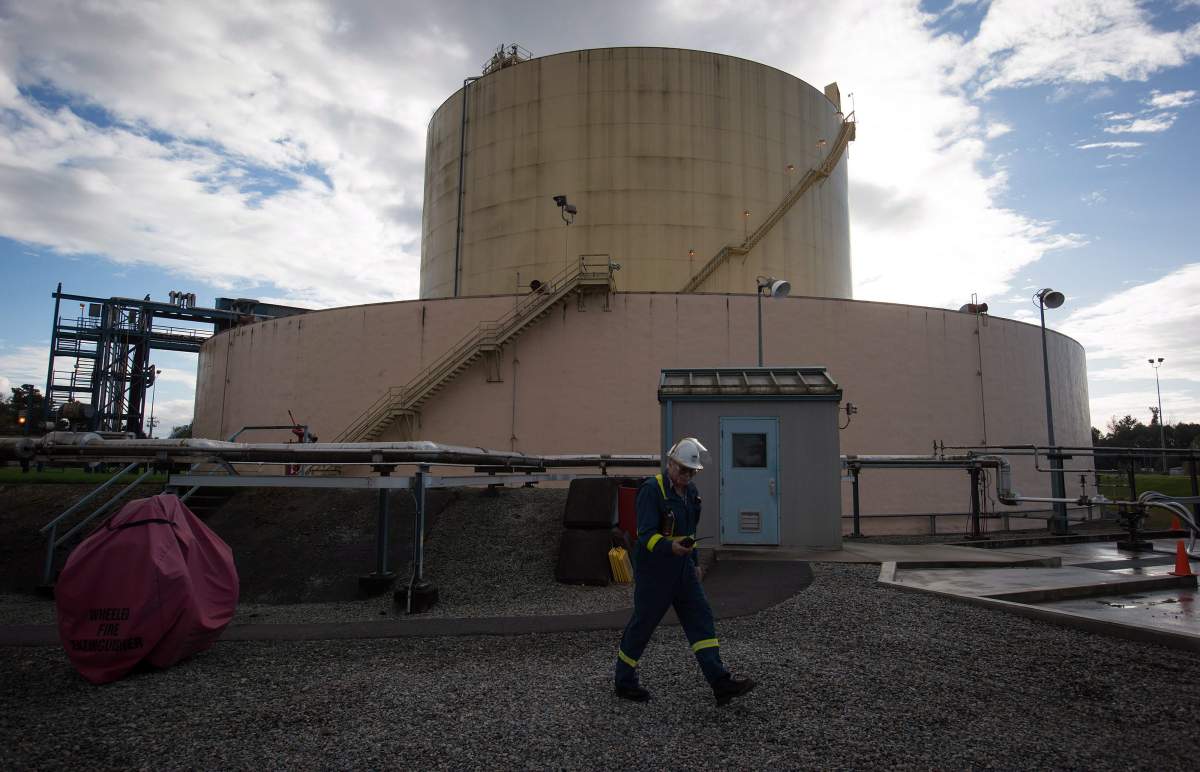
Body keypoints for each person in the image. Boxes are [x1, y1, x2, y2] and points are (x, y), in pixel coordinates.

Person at [613, 437, 756, 706]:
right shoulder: (651, 490)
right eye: (682, 470)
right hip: (655, 573)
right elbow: (645, 535)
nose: (686, 476)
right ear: (670, 464)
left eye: (691, 471)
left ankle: (720, 682)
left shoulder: (692, 495)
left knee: (701, 619)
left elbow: (690, 534)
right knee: (642, 625)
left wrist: (694, 564)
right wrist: (671, 548)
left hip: (683, 572)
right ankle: (624, 681)